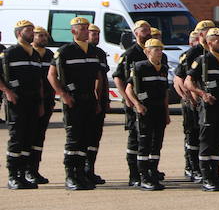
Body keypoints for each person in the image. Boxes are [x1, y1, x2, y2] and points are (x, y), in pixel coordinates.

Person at [48, 17, 106, 190]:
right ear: (73, 31)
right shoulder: (65, 51)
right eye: (82, 28)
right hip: (73, 100)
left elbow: (98, 77)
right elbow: (52, 75)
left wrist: (97, 99)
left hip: (89, 99)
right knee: (74, 139)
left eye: (87, 28)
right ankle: (70, 175)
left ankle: (81, 174)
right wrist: (63, 95)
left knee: (86, 138)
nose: (86, 31)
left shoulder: (93, 52)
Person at [186, 28, 219, 191]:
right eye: (217, 41)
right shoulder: (202, 60)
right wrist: (202, 94)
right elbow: (189, 82)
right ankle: (206, 177)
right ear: (209, 43)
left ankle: (215, 174)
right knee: (207, 141)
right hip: (208, 106)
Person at [0, 20, 43, 189]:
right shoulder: (10, 53)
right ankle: (12, 176)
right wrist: (8, 92)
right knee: (17, 138)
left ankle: (23, 174)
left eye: (33, 30)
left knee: (29, 138)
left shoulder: (34, 53)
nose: (32, 33)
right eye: (28, 30)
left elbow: (39, 80)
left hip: (32, 102)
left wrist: (40, 102)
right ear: (19, 33)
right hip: (17, 101)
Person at [174, 20, 216, 182]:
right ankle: (191, 167)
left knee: (205, 136)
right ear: (201, 35)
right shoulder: (192, 53)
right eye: (207, 31)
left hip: (207, 101)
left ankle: (205, 167)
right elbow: (179, 78)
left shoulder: (213, 52)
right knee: (192, 134)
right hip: (193, 101)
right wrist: (189, 98)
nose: (211, 33)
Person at [125, 38, 170, 191]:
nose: (159, 52)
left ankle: (153, 172)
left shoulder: (163, 68)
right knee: (144, 143)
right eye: (156, 49)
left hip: (159, 110)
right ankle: (143, 175)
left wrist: (167, 112)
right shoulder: (140, 67)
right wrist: (137, 104)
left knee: (157, 143)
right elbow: (129, 89)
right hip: (145, 110)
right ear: (147, 52)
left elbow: (165, 92)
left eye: (160, 49)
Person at [113, 19, 153, 186]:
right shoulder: (130, 54)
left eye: (149, 30)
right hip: (134, 103)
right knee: (135, 138)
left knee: (148, 138)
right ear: (136, 33)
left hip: (150, 103)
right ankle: (134, 175)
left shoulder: (153, 52)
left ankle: (147, 171)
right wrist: (128, 99)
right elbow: (118, 78)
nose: (148, 34)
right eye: (144, 31)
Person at [29, 26, 54, 184]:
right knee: (28, 136)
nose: (44, 38)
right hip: (30, 102)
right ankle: (25, 171)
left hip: (47, 100)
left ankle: (34, 170)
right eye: (40, 35)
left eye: (45, 35)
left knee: (39, 136)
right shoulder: (27, 53)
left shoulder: (50, 55)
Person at [85, 23, 110, 185]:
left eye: (98, 34)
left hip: (99, 101)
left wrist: (105, 99)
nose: (96, 37)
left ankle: (90, 170)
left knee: (95, 136)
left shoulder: (100, 53)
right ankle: (82, 171)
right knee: (84, 136)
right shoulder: (79, 52)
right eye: (93, 34)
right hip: (85, 100)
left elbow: (104, 78)